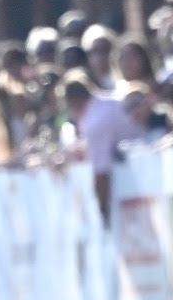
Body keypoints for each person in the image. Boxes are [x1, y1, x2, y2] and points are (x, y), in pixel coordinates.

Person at [58, 71, 143, 225]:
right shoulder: (105, 103)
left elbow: (101, 173)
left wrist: (103, 213)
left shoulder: (96, 121)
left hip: (140, 186)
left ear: (73, 102)